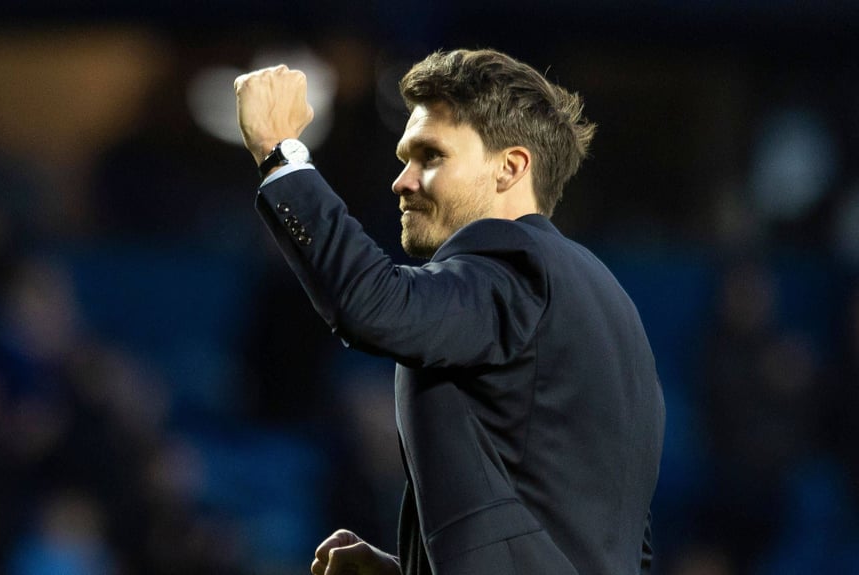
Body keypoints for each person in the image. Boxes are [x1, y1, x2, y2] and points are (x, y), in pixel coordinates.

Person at [234, 49, 665, 575]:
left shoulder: (512, 261)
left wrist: (280, 155)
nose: (403, 181)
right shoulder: (611, 306)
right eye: (404, 159)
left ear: (510, 167)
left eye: (431, 156)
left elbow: (375, 305)